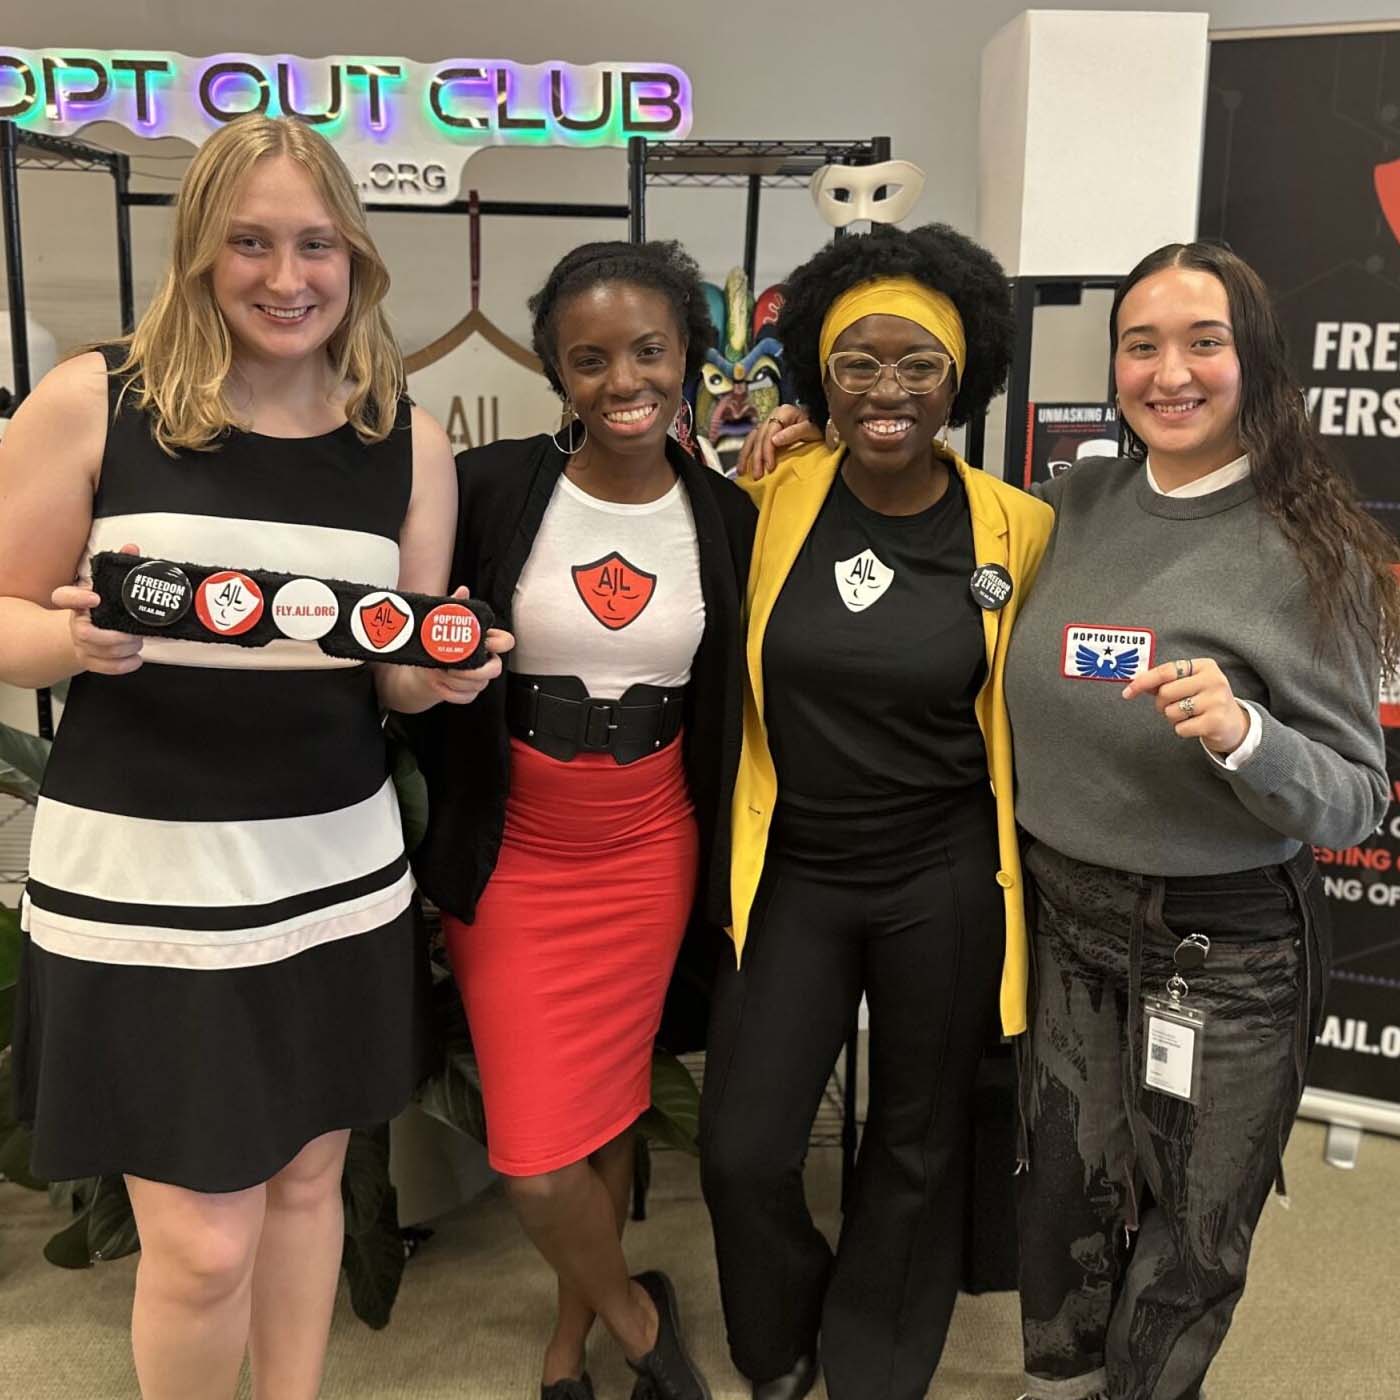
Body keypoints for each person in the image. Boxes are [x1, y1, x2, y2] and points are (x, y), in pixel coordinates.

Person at [0, 115, 509, 1400]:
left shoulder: (406, 436)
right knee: (202, 1240)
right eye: (250, 243)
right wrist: (70, 647)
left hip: (333, 872)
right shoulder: (96, 401)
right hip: (145, 888)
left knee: (304, 1183)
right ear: (198, 252)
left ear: (356, 257)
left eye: (314, 244)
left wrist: (436, 671)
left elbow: (390, 658)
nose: (287, 277)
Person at [1003, 240, 1399, 1400]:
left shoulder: (1311, 547)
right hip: (1061, 914)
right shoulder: (1069, 502)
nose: (1167, 371)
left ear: (1252, 360)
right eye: (1140, 344)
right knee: (1059, 1207)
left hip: (1219, 948)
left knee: (1191, 1232)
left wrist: (1244, 736)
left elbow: (1356, 794)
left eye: (1202, 341)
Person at [698, 222, 1053, 1400]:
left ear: (961, 379)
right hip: (795, 865)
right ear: (820, 375)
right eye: (858, 362)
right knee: (743, 1145)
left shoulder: (1018, 528)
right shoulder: (773, 494)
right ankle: (780, 1340)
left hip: (942, 870)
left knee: (916, 1140)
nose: (886, 389)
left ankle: (873, 1365)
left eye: (917, 364)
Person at [409, 239, 755, 1400]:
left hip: (649, 844)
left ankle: (566, 1349)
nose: (623, 380)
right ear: (557, 371)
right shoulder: (494, 487)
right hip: (516, 849)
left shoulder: (727, 514)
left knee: (605, 1113)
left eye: (649, 351)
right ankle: (642, 1323)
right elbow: (417, 644)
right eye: (589, 358)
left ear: (687, 357)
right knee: (534, 1154)